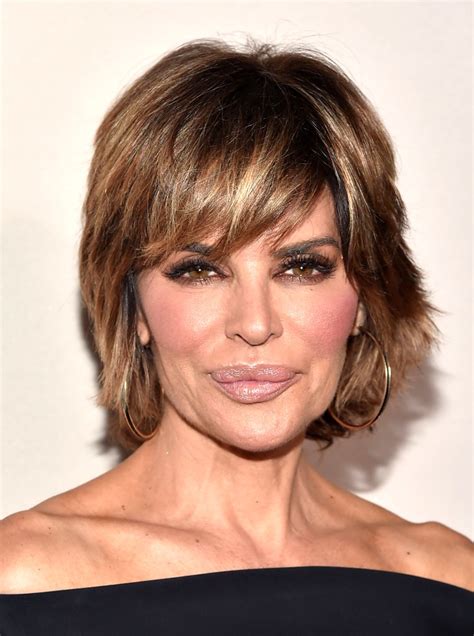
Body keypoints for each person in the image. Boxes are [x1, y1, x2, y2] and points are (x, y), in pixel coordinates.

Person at [1, 38, 472, 634]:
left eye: (302, 267)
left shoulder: (448, 583)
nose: (254, 323)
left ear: (365, 298)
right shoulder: (24, 581)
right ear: (134, 305)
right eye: (199, 271)